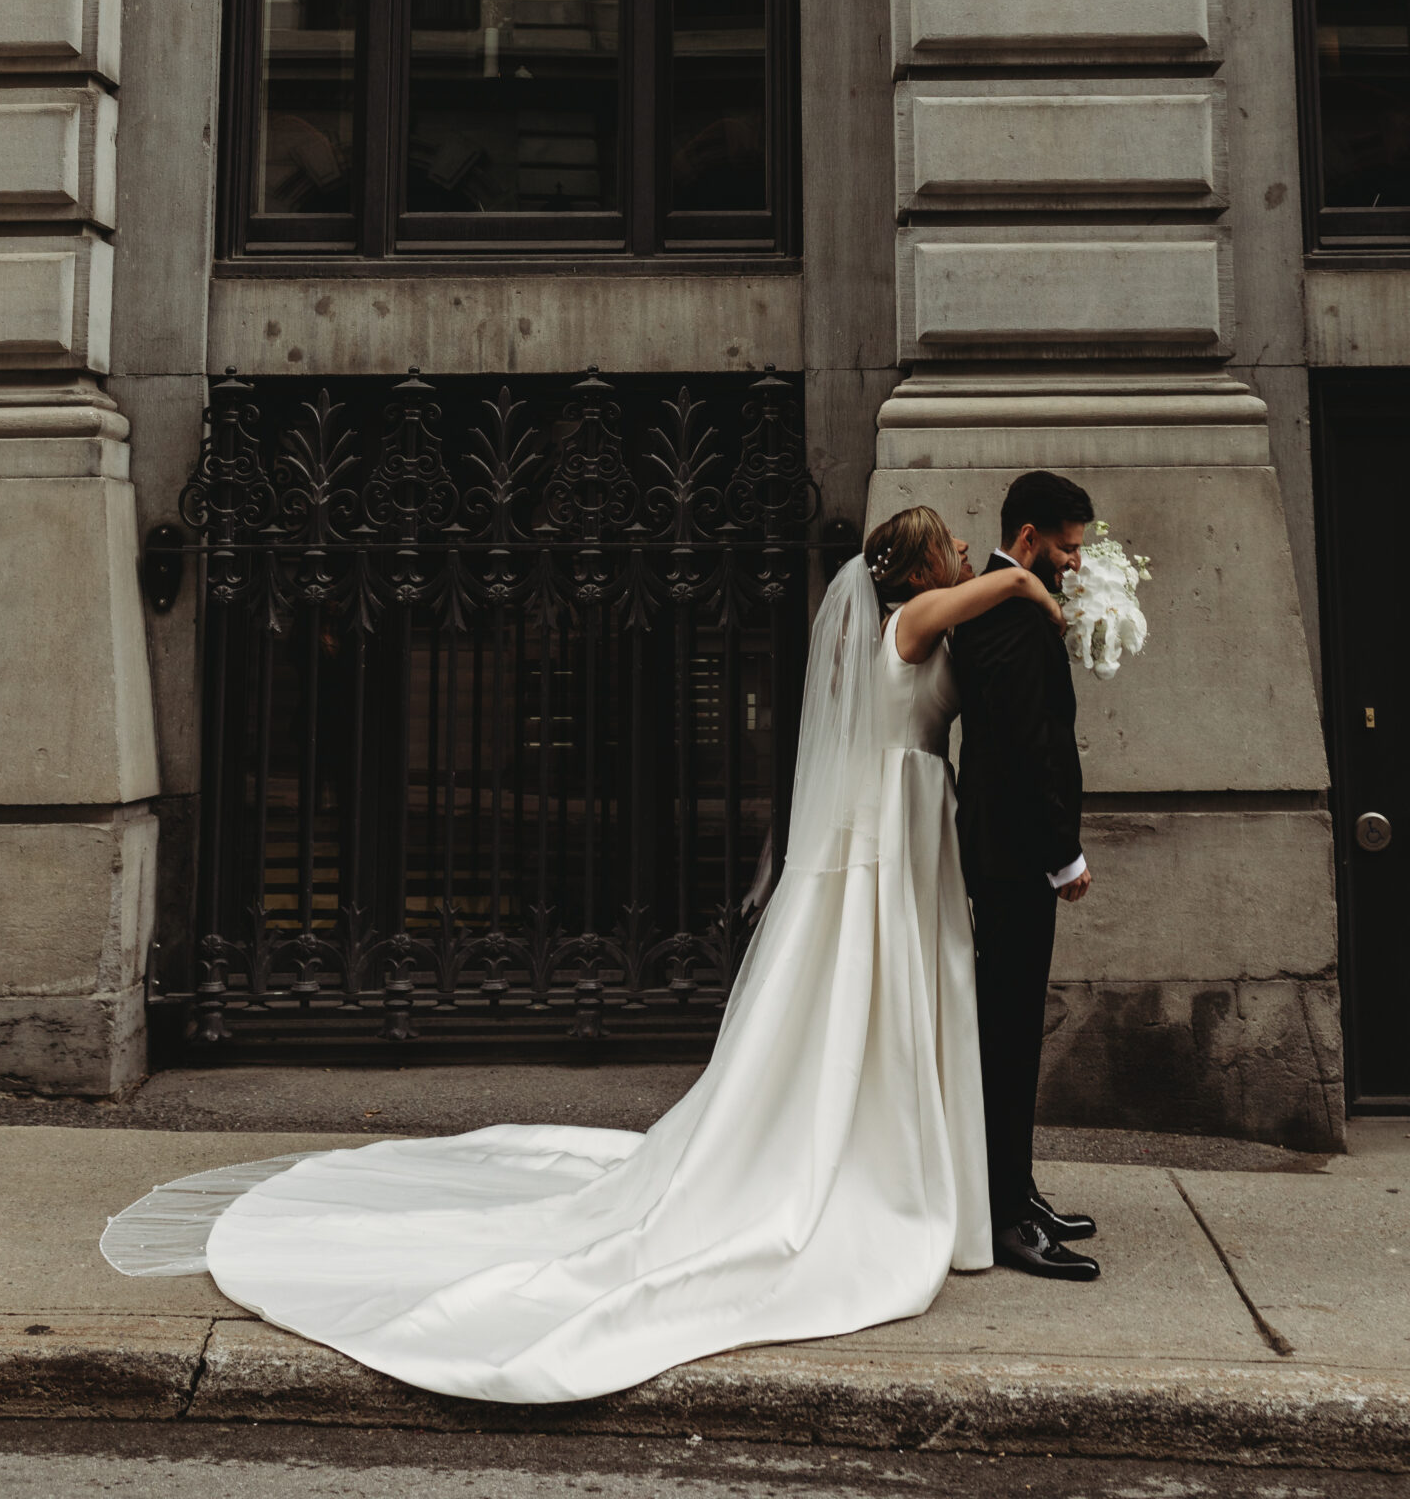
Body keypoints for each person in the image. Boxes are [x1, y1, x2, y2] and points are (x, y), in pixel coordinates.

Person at [100, 510, 1068, 1404]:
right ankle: (863, 1165)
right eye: (945, 546)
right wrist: (1027, 582)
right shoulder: (912, 619)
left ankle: (888, 1151)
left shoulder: (906, 629)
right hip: (880, 842)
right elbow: (985, 597)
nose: (957, 558)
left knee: (871, 1004)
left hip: (901, 833)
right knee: (864, 997)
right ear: (915, 569)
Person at [947, 469, 1101, 1283]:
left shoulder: (1007, 600)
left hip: (1008, 854)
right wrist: (1060, 852)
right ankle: (1005, 1216)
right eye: (1068, 549)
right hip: (1012, 857)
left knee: (1011, 1032)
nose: (1076, 565)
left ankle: (1016, 1188)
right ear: (1030, 538)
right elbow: (1019, 746)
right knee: (1006, 1037)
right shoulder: (1006, 610)